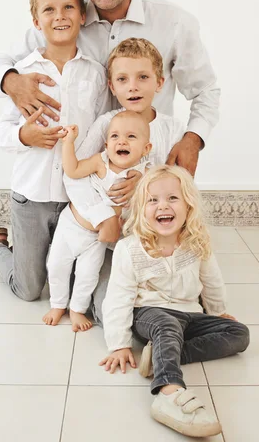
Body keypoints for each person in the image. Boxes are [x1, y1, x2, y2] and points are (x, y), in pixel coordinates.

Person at [0, 0, 220, 251]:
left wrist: (193, 139)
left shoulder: (174, 23)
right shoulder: (65, 17)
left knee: (150, 274)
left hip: (144, 172)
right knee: (65, 278)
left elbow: (205, 90)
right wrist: (11, 82)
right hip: (85, 179)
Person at [0, 0, 109, 301]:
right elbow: (1, 133)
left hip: (76, 197)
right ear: (36, 21)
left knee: (81, 281)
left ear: (82, 15)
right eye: (49, 10)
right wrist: (26, 135)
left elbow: (101, 130)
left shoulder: (95, 73)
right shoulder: (23, 75)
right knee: (29, 290)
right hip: (31, 197)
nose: (59, 16)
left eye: (67, 8)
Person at [100, 165, 250, 438]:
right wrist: (118, 344)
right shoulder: (130, 248)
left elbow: (212, 281)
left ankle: (161, 356)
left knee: (239, 334)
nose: (162, 206)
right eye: (153, 200)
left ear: (188, 205)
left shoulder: (196, 242)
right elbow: (118, 297)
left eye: (172, 198)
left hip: (189, 314)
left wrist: (218, 312)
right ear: (141, 209)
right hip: (149, 314)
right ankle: (169, 391)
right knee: (167, 326)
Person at [64, 37, 187, 322]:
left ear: (159, 82)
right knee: (106, 311)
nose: (133, 86)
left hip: (149, 235)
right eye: (123, 79)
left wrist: (144, 181)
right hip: (107, 235)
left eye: (143, 77)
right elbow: (75, 176)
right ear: (112, 86)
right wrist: (103, 217)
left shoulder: (171, 128)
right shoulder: (107, 124)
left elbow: (180, 183)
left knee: (166, 295)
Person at [43, 110, 151, 330]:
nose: (121, 141)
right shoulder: (101, 162)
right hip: (71, 225)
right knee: (56, 265)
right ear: (106, 144)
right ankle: (57, 303)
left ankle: (77, 309)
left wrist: (143, 181)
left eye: (131, 137)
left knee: (87, 275)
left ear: (146, 148)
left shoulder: (145, 174)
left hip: (97, 239)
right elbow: (72, 171)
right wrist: (68, 143)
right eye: (115, 136)